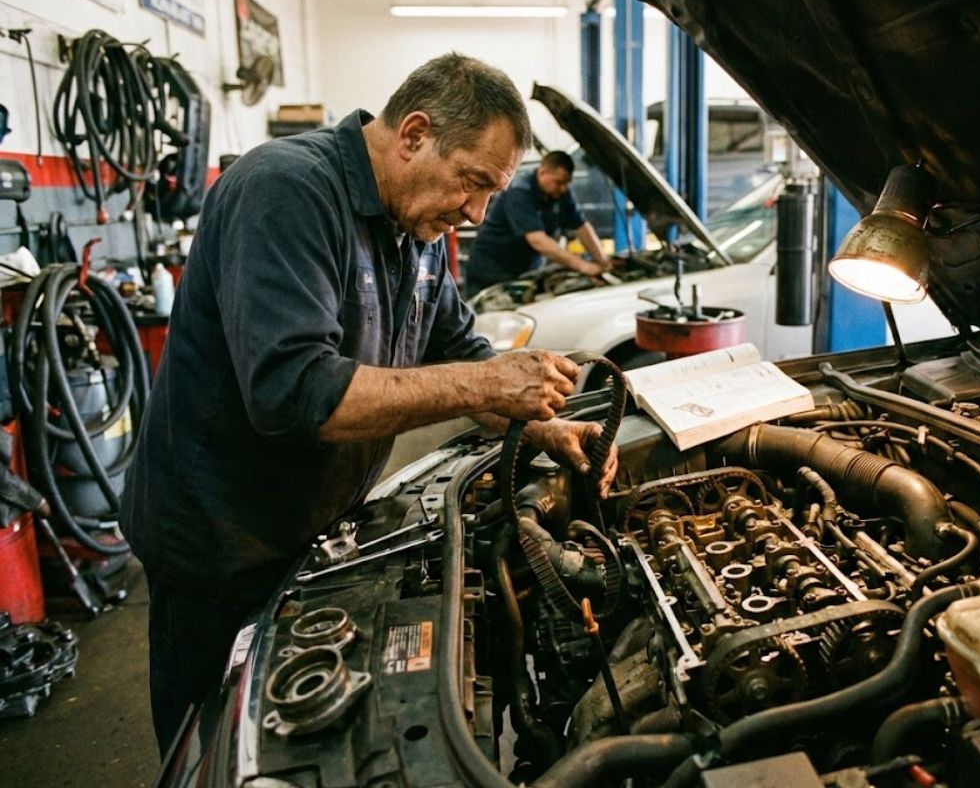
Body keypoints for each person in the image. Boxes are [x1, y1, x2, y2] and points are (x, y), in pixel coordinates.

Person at [118, 52, 618, 757]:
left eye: (490, 195)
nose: (476, 213)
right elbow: (295, 394)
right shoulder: (285, 192)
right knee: (216, 749)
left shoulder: (413, 230)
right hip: (217, 542)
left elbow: (463, 349)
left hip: (310, 531)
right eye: (472, 183)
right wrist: (485, 387)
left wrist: (546, 425)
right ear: (414, 134)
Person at [463, 149, 610, 297]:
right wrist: (583, 267)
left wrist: (603, 262)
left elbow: (581, 226)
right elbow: (537, 240)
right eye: (559, 182)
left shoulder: (561, 192)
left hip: (525, 272)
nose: (563, 188)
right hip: (490, 272)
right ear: (542, 173)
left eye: (567, 183)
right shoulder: (519, 191)